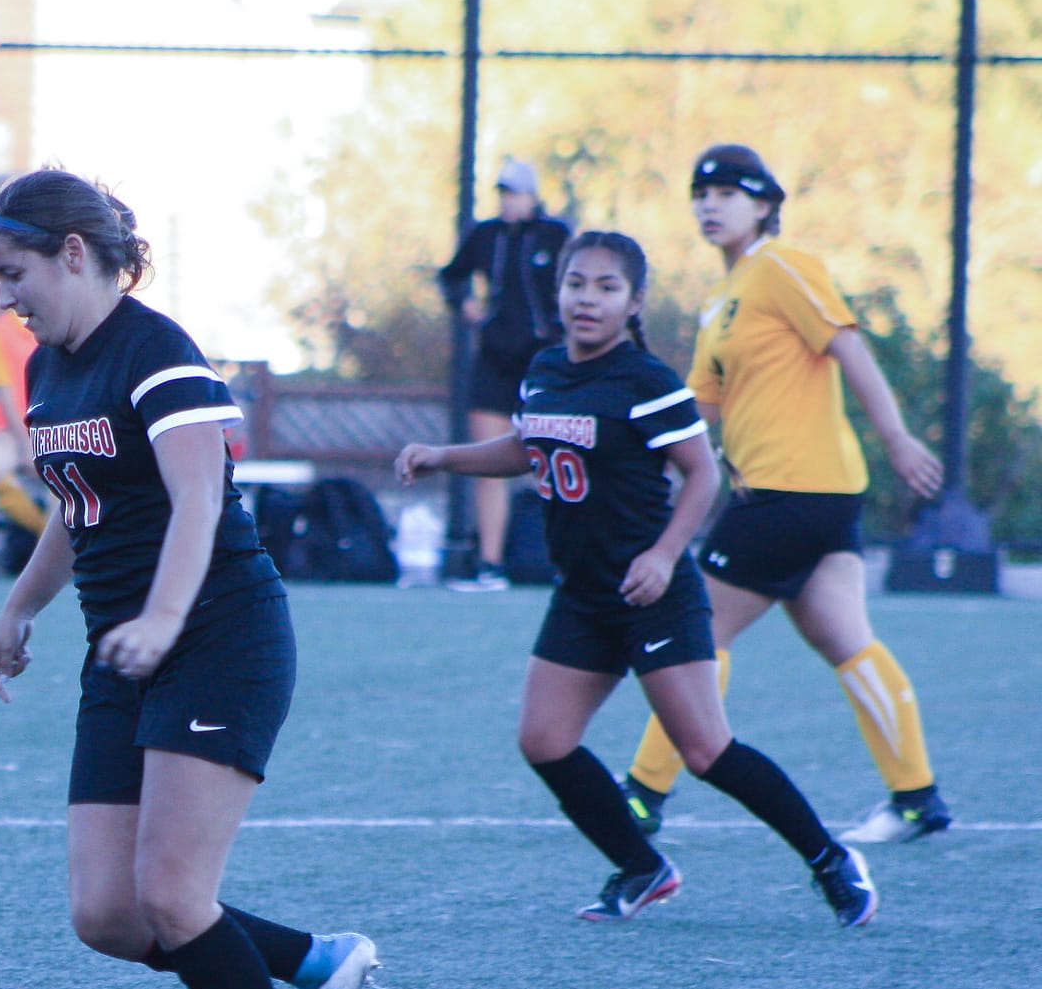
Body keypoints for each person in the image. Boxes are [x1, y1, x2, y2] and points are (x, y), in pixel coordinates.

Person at [0, 169, 378, 989]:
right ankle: (313, 959)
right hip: (125, 648)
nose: (4, 297)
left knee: (169, 892)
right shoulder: (46, 371)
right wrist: (17, 608)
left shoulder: (158, 354)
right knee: (107, 913)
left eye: (13, 271)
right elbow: (80, 508)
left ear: (74, 252)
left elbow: (197, 496)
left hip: (214, 638)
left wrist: (161, 618)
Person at [395, 230, 879, 928]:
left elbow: (703, 472)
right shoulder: (545, 370)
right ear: (558, 291)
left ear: (634, 301)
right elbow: (528, 447)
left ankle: (829, 859)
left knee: (707, 751)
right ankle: (642, 866)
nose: (588, 299)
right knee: (545, 740)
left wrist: (662, 555)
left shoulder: (646, 381)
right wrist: (445, 456)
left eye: (606, 287)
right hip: (585, 594)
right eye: (576, 284)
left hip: (653, 594)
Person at [620, 145, 950, 845]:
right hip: (816, 497)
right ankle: (917, 798)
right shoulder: (724, 299)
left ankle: (642, 794)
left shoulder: (782, 266)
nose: (710, 204)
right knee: (844, 637)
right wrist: (626, 448)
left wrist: (895, 436)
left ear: (765, 205)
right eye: (700, 192)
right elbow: (696, 410)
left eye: (728, 193)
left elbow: (848, 347)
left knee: (698, 631)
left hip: (787, 490)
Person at [436, 157, 571, 591]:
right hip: (494, 359)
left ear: (532, 195)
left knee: (550, 457)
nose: (509, 202)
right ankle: (490, 564)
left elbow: (581, 283)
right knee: (486, 457)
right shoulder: (486, 234)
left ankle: (560, 559)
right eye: (504, 193)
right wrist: (465, 304)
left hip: (543, 361)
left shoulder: (555, 235)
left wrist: (562, 333)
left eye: (515, 193)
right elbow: (451, 277)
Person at [0, 308, 50, 541]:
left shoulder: (60, 322)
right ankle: (45, 533)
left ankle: (58, 545)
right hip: (9, 430)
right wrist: (26, 443)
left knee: (60, 474)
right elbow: (4, 392)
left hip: (54, 426)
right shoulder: (1, 329)